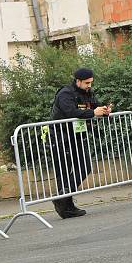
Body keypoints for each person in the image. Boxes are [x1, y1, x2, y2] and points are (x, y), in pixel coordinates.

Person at [50, 68, 111, 219]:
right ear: (78, 81)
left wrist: (104, 111)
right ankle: (66, 207)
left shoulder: (87, 93)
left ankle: (62, 199)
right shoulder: (65, 93)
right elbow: (71, 112)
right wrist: (93, 113)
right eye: (86, 83)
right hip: (61, 137)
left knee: (84, 166)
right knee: (64, 173)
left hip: (77, 136)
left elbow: (95, 107)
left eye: (91, 82)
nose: (89, 85)